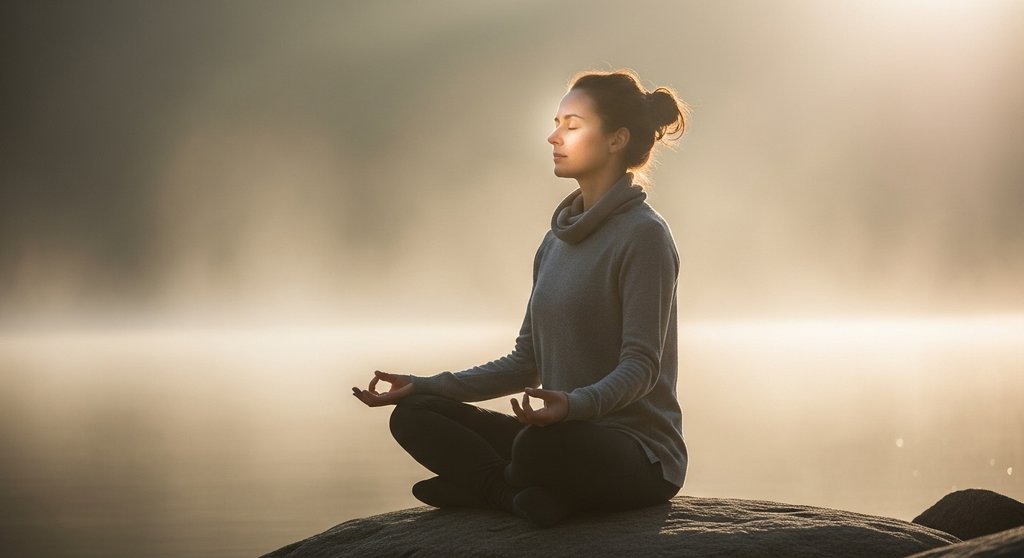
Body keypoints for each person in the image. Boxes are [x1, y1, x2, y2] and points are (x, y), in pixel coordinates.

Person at [352, 68, 690, 528]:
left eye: (572, 125)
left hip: (634, 454)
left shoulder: (644, 236)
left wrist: (572, 406)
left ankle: (486, 487)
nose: (554, 136)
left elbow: (641, 367)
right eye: (556, 123)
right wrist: (424, 383)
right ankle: (513, 495)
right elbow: (524, 360)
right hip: (558, 430)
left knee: (537, 447)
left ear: (616, 140)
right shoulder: (555, 243)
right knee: (415, 415)